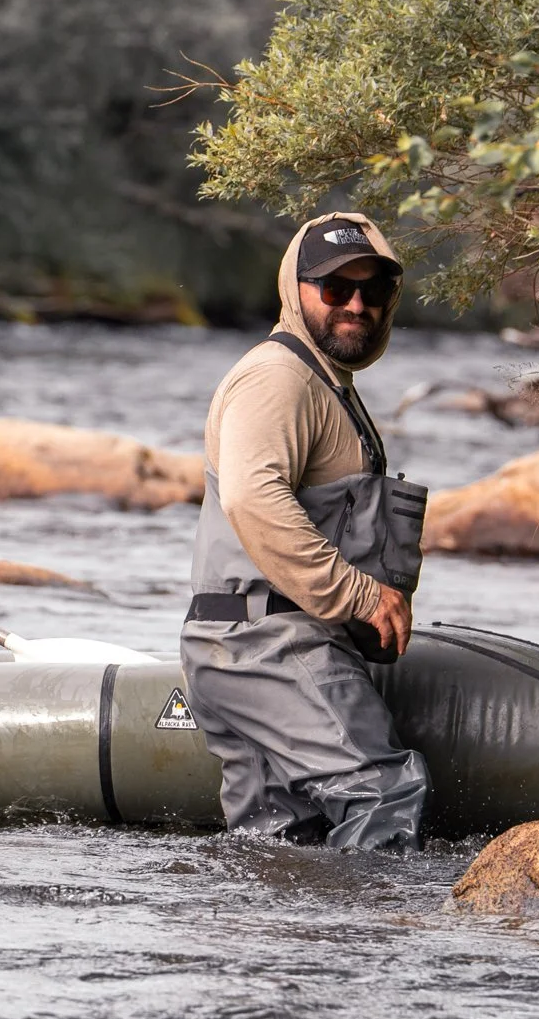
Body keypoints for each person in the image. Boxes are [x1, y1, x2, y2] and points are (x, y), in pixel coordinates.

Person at [181, 212, 430, 849]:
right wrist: (363, 596)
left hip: (238, 643)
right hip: (271, 641)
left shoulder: (326, 384)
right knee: (384, 792)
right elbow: (251, 495)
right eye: (335, 288)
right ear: (296, 291)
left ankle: (287, 950)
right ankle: (367, 949)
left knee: (280, 843)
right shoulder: (278, 378)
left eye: (373, 292)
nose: (356, 305)